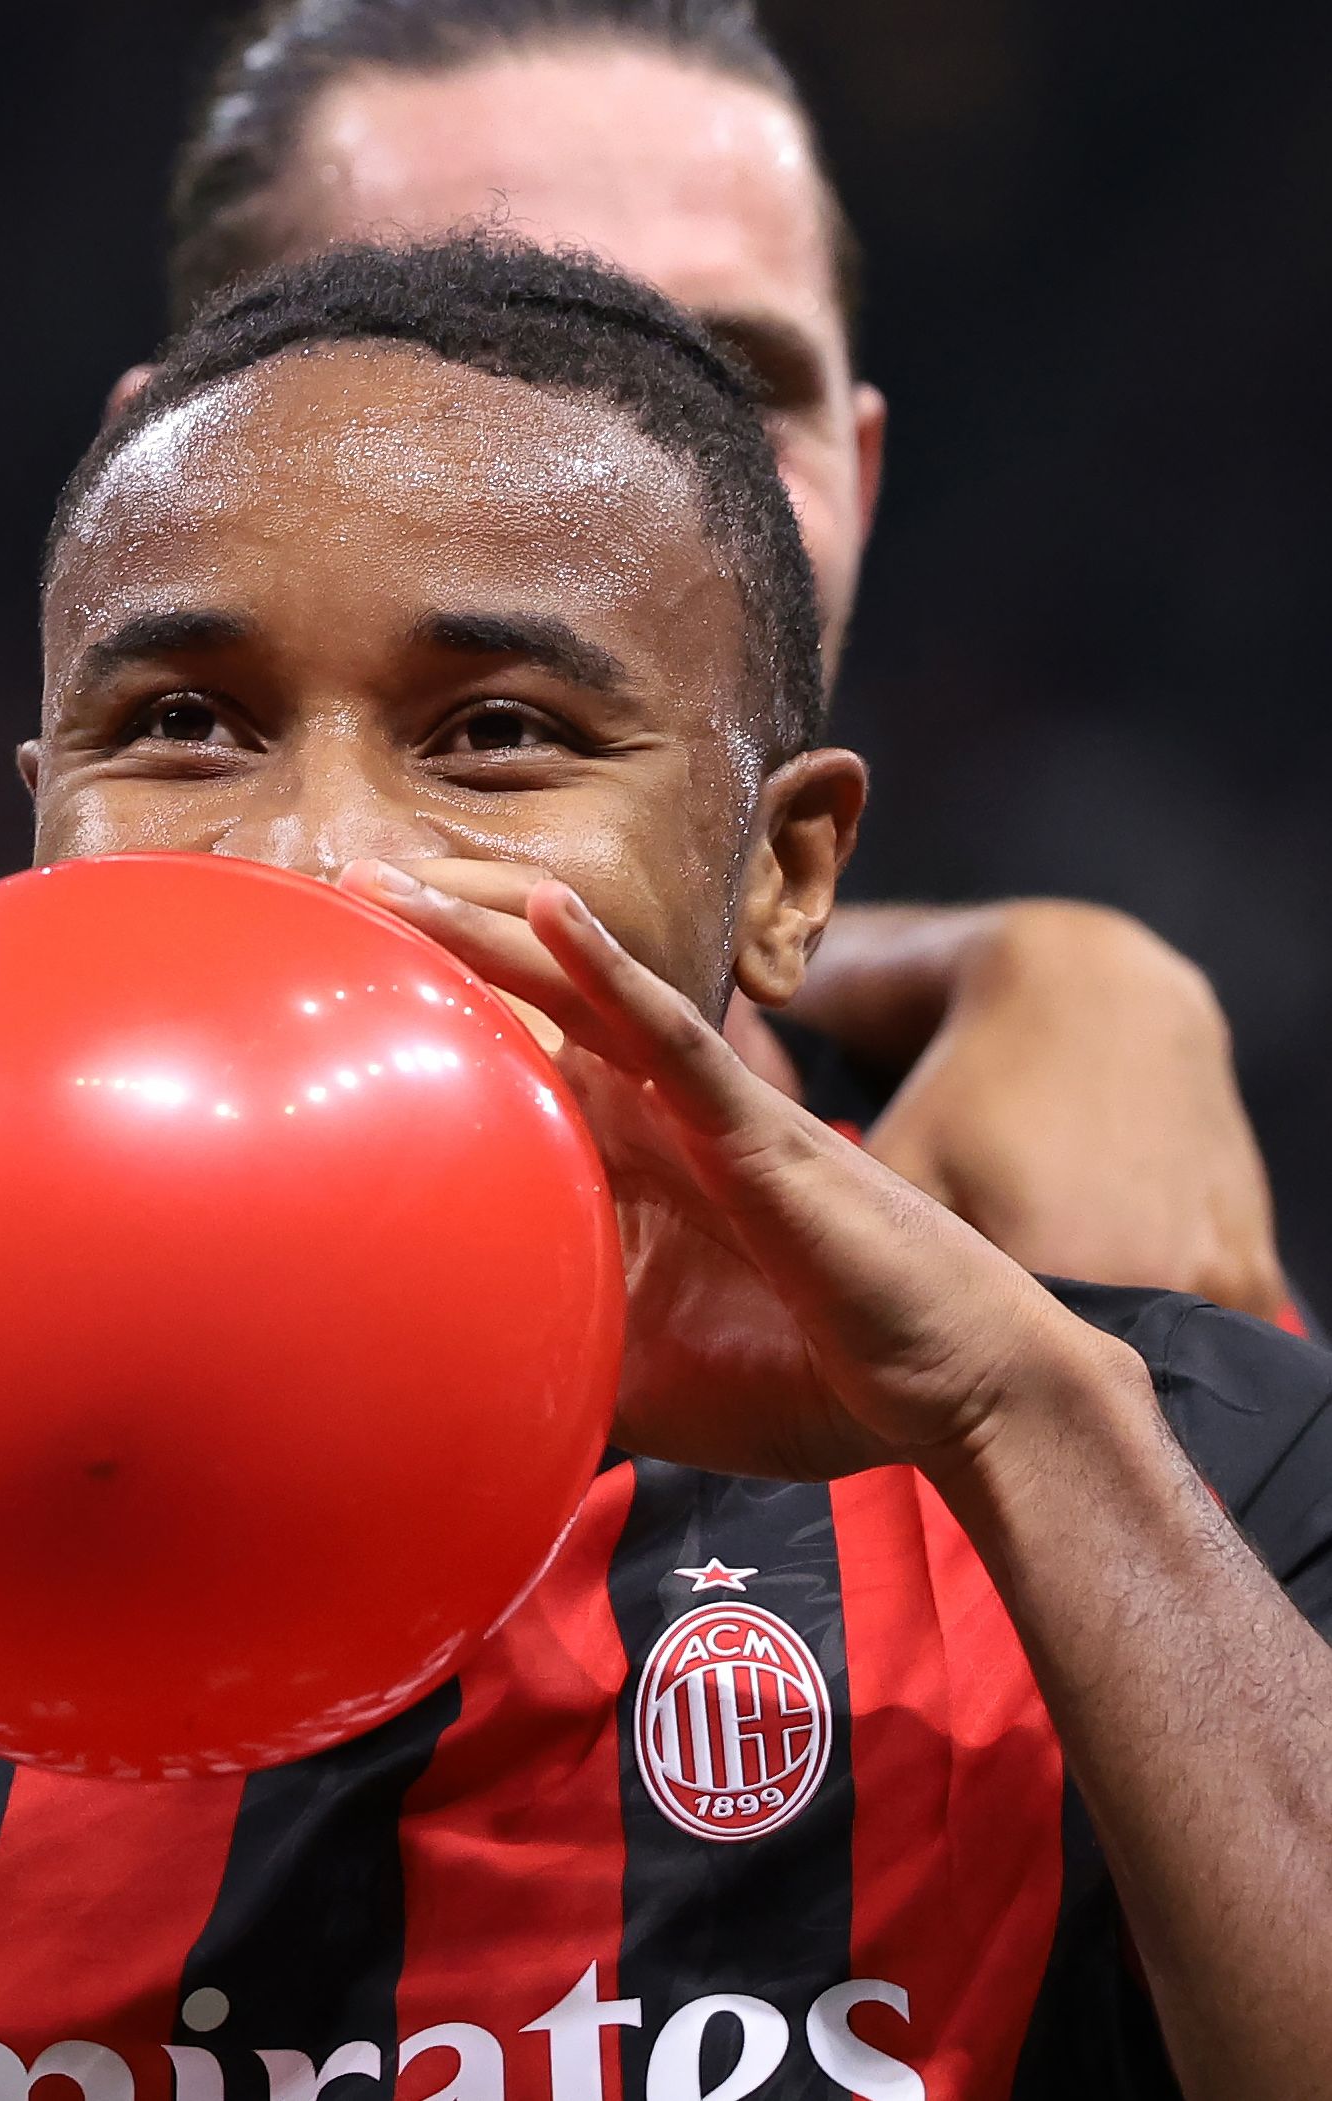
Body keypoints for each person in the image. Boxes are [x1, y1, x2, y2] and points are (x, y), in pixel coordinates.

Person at [0, 239, 1332, 2100]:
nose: (311, 855)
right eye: (181, 723)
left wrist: (1021, 1418)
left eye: (497, 734)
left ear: (784, 876)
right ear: (36, 810)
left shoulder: (1152, 1477)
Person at [154, 0, 1288, 1320]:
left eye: (736, 391)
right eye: (454, 372)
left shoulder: (1089, 1256)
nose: (631, 492)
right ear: (160, 484)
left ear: (859, 480)